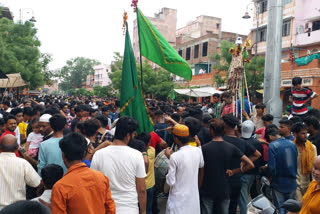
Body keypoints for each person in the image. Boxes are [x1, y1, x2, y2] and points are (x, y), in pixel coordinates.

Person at [91, 116, 147, 214]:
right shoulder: (137, 155)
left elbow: (93, 184)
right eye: (134, 134)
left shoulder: (99, 154)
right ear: (128, 135)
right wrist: (143, 211)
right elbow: (141, 189)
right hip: (129, 208)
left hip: (105, 208)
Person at [49, 133, 115, 214]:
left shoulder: (60, 187)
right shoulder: (101, 178)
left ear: (63, 155)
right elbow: (110, 209)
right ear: (84, 153)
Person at [200, 119, 254, 214]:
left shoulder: (204, 148)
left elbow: (201, 170)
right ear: (223, 130)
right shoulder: (230, 147)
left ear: (211, 131)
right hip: (224, 189)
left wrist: (198, 186)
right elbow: (250, 164)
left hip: (207, 188)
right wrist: (235, 171)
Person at [222, 114, 260, 214]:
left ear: (224, 125)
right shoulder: (241, 142)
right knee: (233, 207)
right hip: (236, 179)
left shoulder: (220, 140)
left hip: (222, 179)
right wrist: (243, 164)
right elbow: (257, 154)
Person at [163, 124, 204, 214]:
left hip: (178, 200)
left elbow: (170, 181)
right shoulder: (197, 151)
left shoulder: (175, 156)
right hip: (192, 198)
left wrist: (169, 157)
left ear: (176, 139)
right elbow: (201, 165)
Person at [0, 134, 41, 209]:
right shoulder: (23, 163)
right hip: (17, 209)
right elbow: (37, 183)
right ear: (17, 148)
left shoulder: (23, 163)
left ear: (0, 147)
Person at [265, 125, 298, 214]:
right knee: (290, 209)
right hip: (292, 181)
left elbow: (271, 167)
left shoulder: (272, 146)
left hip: (278, 182)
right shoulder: (292, 144)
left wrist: (268, 177)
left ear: (270, 136)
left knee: (280, 209)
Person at [239, 120, 264, 214]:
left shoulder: (239, 141)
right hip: (253, 173)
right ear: (253, 130)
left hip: (242, 173)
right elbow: (260, 158)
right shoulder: (257, 143)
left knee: (243, 197)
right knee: (250, 195)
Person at [291, 122, 317, 201]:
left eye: (306, 133)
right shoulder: (290, 147)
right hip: (295, 183)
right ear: (295, 134)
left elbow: (315, 166)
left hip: (308, 183)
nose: (305, 136)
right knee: (300, 206)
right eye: (303, 133)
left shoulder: (312, 148)